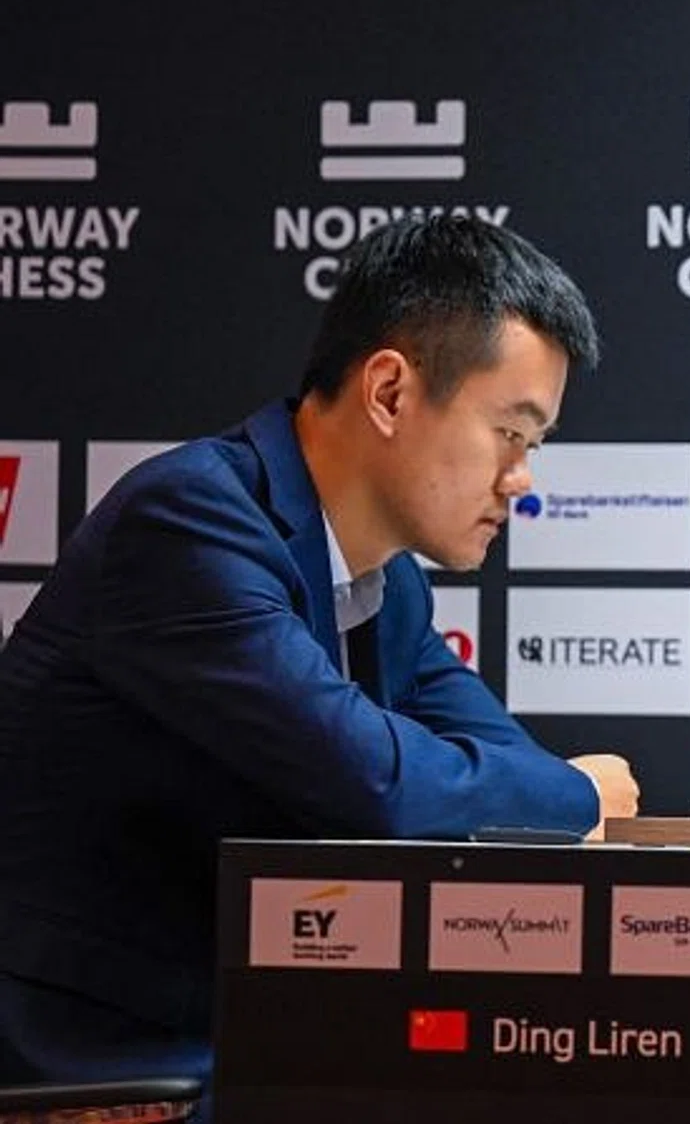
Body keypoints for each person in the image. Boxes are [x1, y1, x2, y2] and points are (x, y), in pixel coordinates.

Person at [0, 216, 640, 1090]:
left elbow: (497, 771)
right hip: (91, 1053)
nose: (522, 479)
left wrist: (553, 795)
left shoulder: (394, 585)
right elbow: (376, 787)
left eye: (535, 444)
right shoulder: (190, 523)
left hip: (243, 1027)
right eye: (511, 432)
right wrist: (578, 792)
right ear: (388, 392)